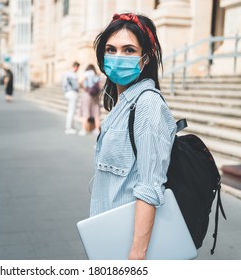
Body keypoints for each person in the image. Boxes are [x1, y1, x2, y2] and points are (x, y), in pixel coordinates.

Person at [89, 13, 177, 260]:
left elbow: (150, 186)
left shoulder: (147, 104)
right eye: (111, 49)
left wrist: (136, 257)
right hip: (108, 235)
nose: (118, 57)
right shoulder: (122, 104)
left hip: (128, 247)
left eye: (129, 50)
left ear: (145, 58)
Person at [79, 64, 101, 136]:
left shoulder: (87, 73)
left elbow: (81, 81)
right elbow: (99, 85)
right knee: (96, 111)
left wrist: (85, 87)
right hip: (95, 95)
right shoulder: (96, 74)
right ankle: (97, 129)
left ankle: (83, 129)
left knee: (86, 110)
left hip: (87, 94)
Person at [62, 61, 80, 134]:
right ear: (75, 67)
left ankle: (70, 126)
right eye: (77, 68)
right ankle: (69, 128)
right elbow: (75, 86)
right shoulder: (73, 75)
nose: (77, 69)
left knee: (70, 110)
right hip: (72, 92)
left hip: (67, 92)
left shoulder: (66, 73)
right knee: (71, 111)